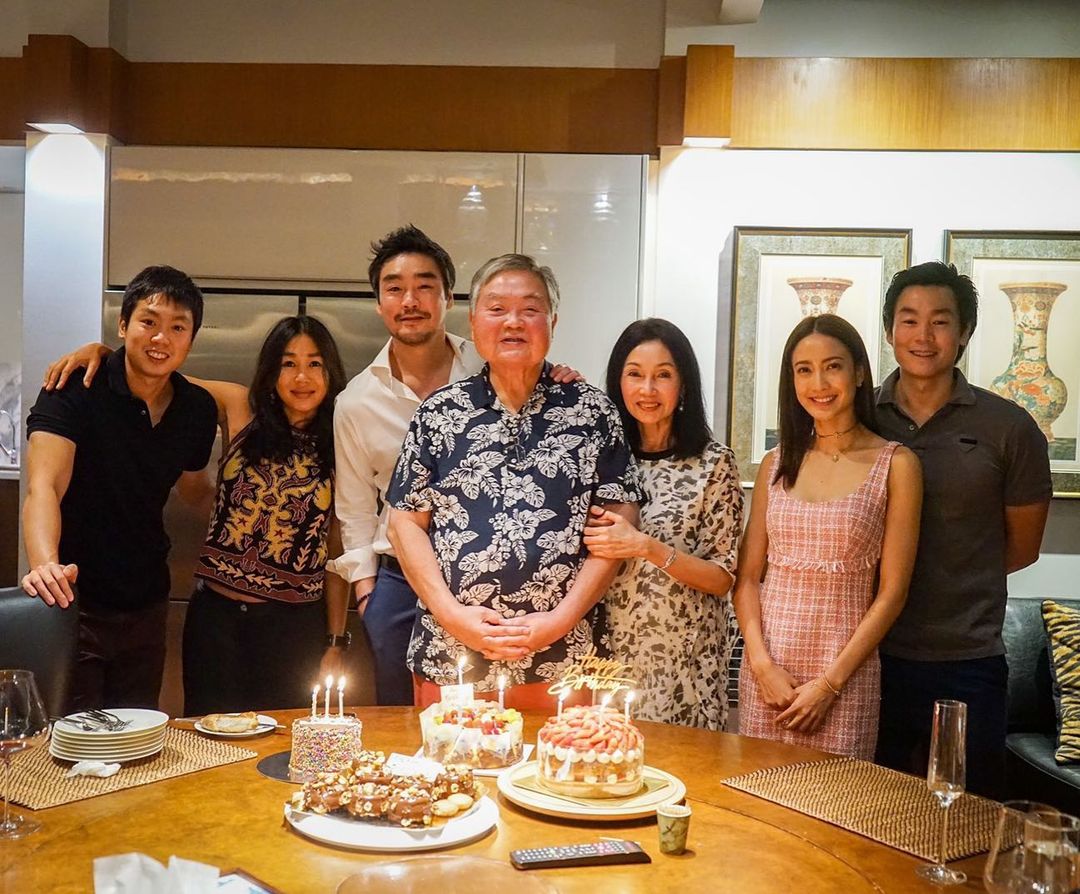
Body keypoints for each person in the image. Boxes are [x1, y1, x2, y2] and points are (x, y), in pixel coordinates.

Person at [43, 316, 352, 715]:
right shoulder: (240, 407)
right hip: (216, 619)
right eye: (288, 363)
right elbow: (153, 373)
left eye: (315, 364)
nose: (301, 377)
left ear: (330, 372)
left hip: (294, 625)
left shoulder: (341, 440)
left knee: (282, 736)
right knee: (207, 733)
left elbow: (337, 550)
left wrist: (335, 641)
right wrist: (103, 355)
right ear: (270, 370)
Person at [332, 226, 580, 705]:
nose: (410, 300)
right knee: (402, 720)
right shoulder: (356, 402)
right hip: (400, 581)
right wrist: (367, 596)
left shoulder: (490, 361)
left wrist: (559, 376)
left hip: (490, 580)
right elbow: (356, 509)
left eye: (425, 285)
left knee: (485, 719)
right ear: (379, 302)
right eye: (394, 288)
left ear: (449, 297)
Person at [386, 253, 645, 707]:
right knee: (454, 755)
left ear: (553, 322)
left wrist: (559, 620)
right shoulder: (438, 413)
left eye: (530, 309)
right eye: (497, 309)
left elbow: (617, 527)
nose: (513, 322)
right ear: (472, 322)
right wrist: (454, 615)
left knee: (565, 756)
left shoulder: (592, 412)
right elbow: (404, 523)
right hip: (454, 651)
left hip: (566, 655)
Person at [873, 261, 1052, 797]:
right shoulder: (860, 418)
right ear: (889, 331)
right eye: (909, 320)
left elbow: (1021, 547)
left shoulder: (1010, 428)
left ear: (965, 332)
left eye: (940, 321)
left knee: (968, 814)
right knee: (869, 812)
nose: (923, 336)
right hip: (869, 654)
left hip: (967, 660)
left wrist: (955, 574)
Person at [22, 266, 218, 711]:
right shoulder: (73, 387)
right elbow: (44, 486)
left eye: (178, 327)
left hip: (148, 602)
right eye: (149, 321)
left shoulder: (195, 409)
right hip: (74, 601)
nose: (161, 338)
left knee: (135, 735)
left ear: (191, 340)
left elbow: (194, 489)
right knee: (73, 737)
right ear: (123, 325)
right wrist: (46, 566)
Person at [735, 313, 922, 759]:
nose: (818, 383)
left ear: (858, 372)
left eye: (832, 366)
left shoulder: (897, 464)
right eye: (804, 370)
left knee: (836, 797)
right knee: (753, 796)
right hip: (768, 675)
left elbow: (892, 593)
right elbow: (747, 579)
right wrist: (761, 665)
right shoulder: (776, 463)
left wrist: (829, 684)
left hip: (843, 677)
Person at [583, 318, 744, 731]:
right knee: (604, 761)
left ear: (683, 383)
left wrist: (646, 546)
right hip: (606, 658)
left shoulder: (714, 463)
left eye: (663, 376)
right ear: (618, 381)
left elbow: (722, 578)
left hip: (686, 664)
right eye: (635, 374)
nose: (648, 390)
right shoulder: (599, 459)